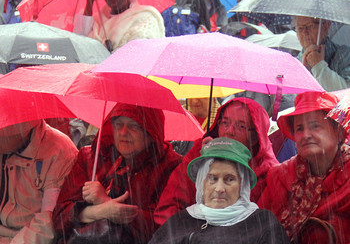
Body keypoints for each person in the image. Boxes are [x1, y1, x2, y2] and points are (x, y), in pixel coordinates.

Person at [52, 103, 182, 244]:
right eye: (118, 124)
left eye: (134, 126)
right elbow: (59, 218)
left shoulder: (170, 167)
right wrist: (102, 211)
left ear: (151, 134)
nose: (123, 132)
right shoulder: (91, 158)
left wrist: (108, 203)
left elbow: (167, 229)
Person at [154, 97, 278, 225]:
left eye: (241, 126)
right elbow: (168, 207)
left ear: (257, 136)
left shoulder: (269, 172)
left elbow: (260, 226)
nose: (229, 131)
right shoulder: (199, 154)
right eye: (225, 122)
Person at [149, 138, 290, 244]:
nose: (219, 189)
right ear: (201, 183)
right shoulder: (182, 219)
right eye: (212, 178)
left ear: (242, 185)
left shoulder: (262, 223)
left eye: (229, 179)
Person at [258, 91, 350, 244]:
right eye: (299, 128)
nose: (306, 134)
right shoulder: (280, 175)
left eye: (315, 126)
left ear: (339, 132)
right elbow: (258, 225)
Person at [0, 120, 78, 243]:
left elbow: (48, 222)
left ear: (21, 131)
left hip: (30, 237)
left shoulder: (59, 151)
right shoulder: (6, 146)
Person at [74, 0, 165, 52]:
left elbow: (141, 51)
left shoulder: (145, 16)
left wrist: (108, 54)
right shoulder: (99, 20)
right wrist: (89, 1)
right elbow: (80, 41)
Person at [294, 16, 350, 91]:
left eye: (310, 26)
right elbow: (291, 98)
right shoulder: (295, 62)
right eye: (300, 28)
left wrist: (318, 66)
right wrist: (303, 73)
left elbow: (345, 93)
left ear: (326, 27)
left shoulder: (345, 55)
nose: (305, 32)